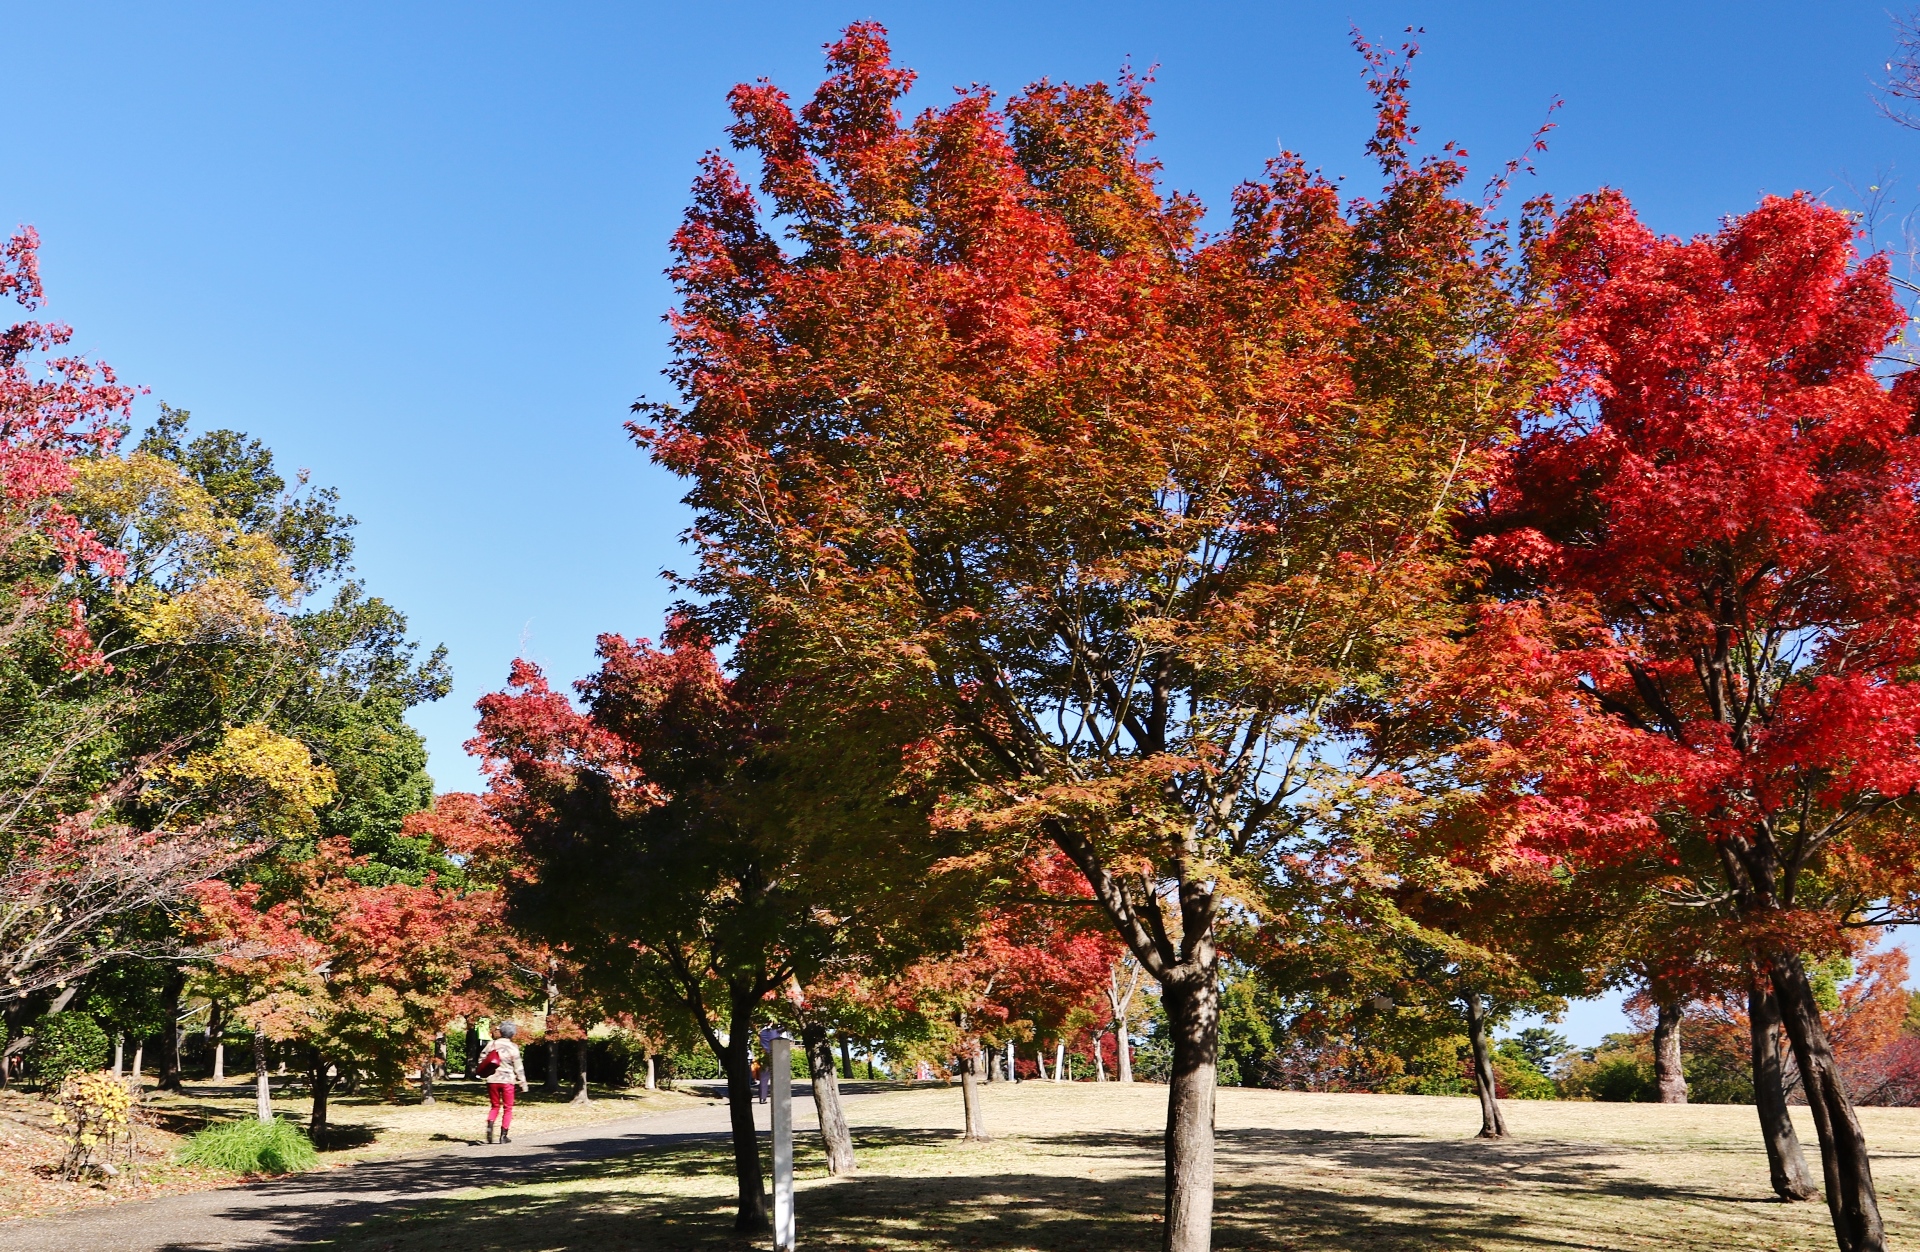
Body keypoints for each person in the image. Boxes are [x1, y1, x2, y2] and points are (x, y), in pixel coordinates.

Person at [479, 1021, 529, 1144]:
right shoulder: (514, 1047)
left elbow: (482, 1059)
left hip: (492, 1080)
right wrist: (523, 1083)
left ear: (501, 1032)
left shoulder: (492, 1044)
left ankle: (490, 1125)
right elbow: (518, 1067)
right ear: (512, 1034)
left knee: (495, 1106)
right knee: (508, 1108)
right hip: (508, 1081)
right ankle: (503, 1135)